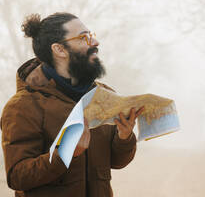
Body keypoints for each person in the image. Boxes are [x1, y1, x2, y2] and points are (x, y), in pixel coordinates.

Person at [1, 12, 143, 197]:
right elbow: (18, 177)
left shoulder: (103, 96)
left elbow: (116, 162)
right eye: (84, 37)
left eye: (91, 35)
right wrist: (66, 152)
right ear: (59, 50)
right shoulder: (22, 106)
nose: (95, 43)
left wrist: (124, 138)